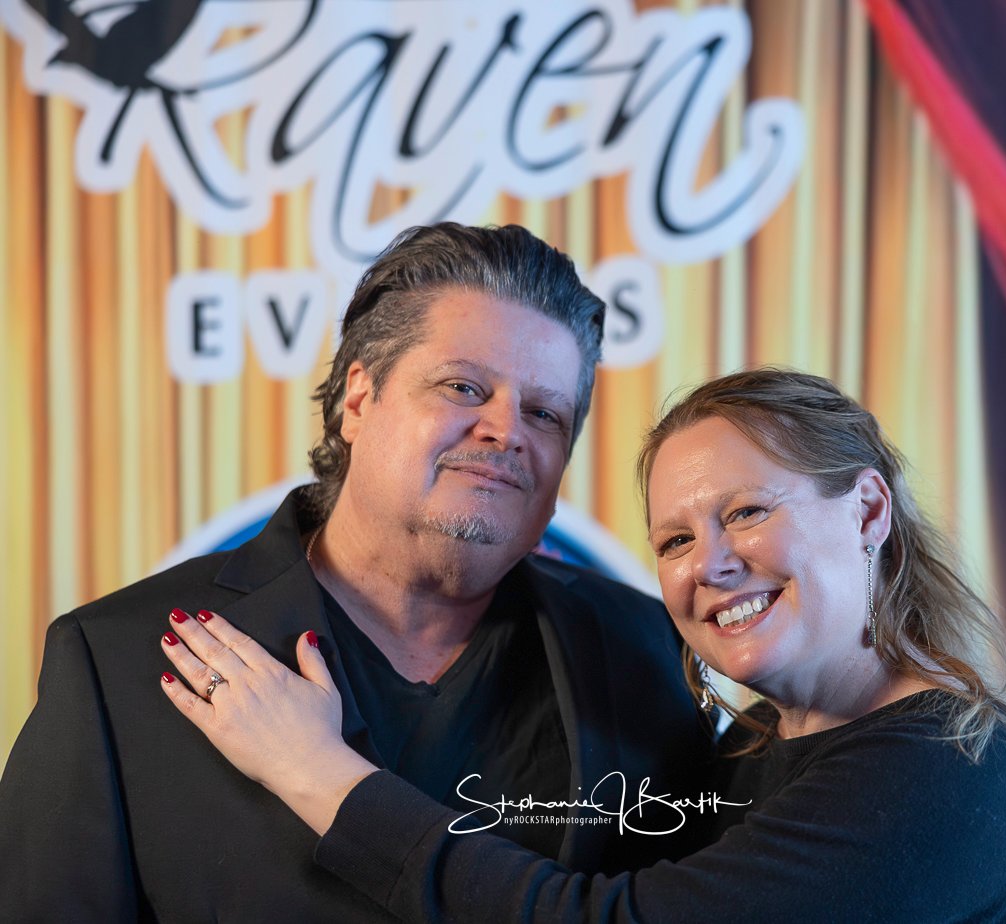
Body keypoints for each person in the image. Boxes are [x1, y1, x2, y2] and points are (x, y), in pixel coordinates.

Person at [157, 368, 1006, 921]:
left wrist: (318, 774)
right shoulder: (745, 751)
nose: (710, 565)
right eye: (674, 541)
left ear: (866, 510)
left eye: (748, 512)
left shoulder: (947, 767)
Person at [0, 223, 711, 920]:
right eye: (464, 388)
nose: (506, 430)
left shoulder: (651, 651)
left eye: (545, 413)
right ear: (358, 399)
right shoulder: (118, 659)